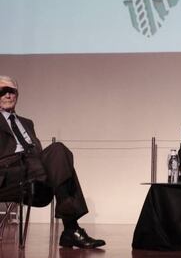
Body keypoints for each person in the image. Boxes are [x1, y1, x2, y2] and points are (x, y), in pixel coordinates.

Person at [0, 75, 105, 249]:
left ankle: (69, 229)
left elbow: (38, 152)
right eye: (3, 91)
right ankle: (71, 229)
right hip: (8, 172)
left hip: (33, 171)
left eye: (12, 91)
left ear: (17, 95)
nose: (8, 95)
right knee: (51, 167)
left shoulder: (27, 122)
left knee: (58, 149)